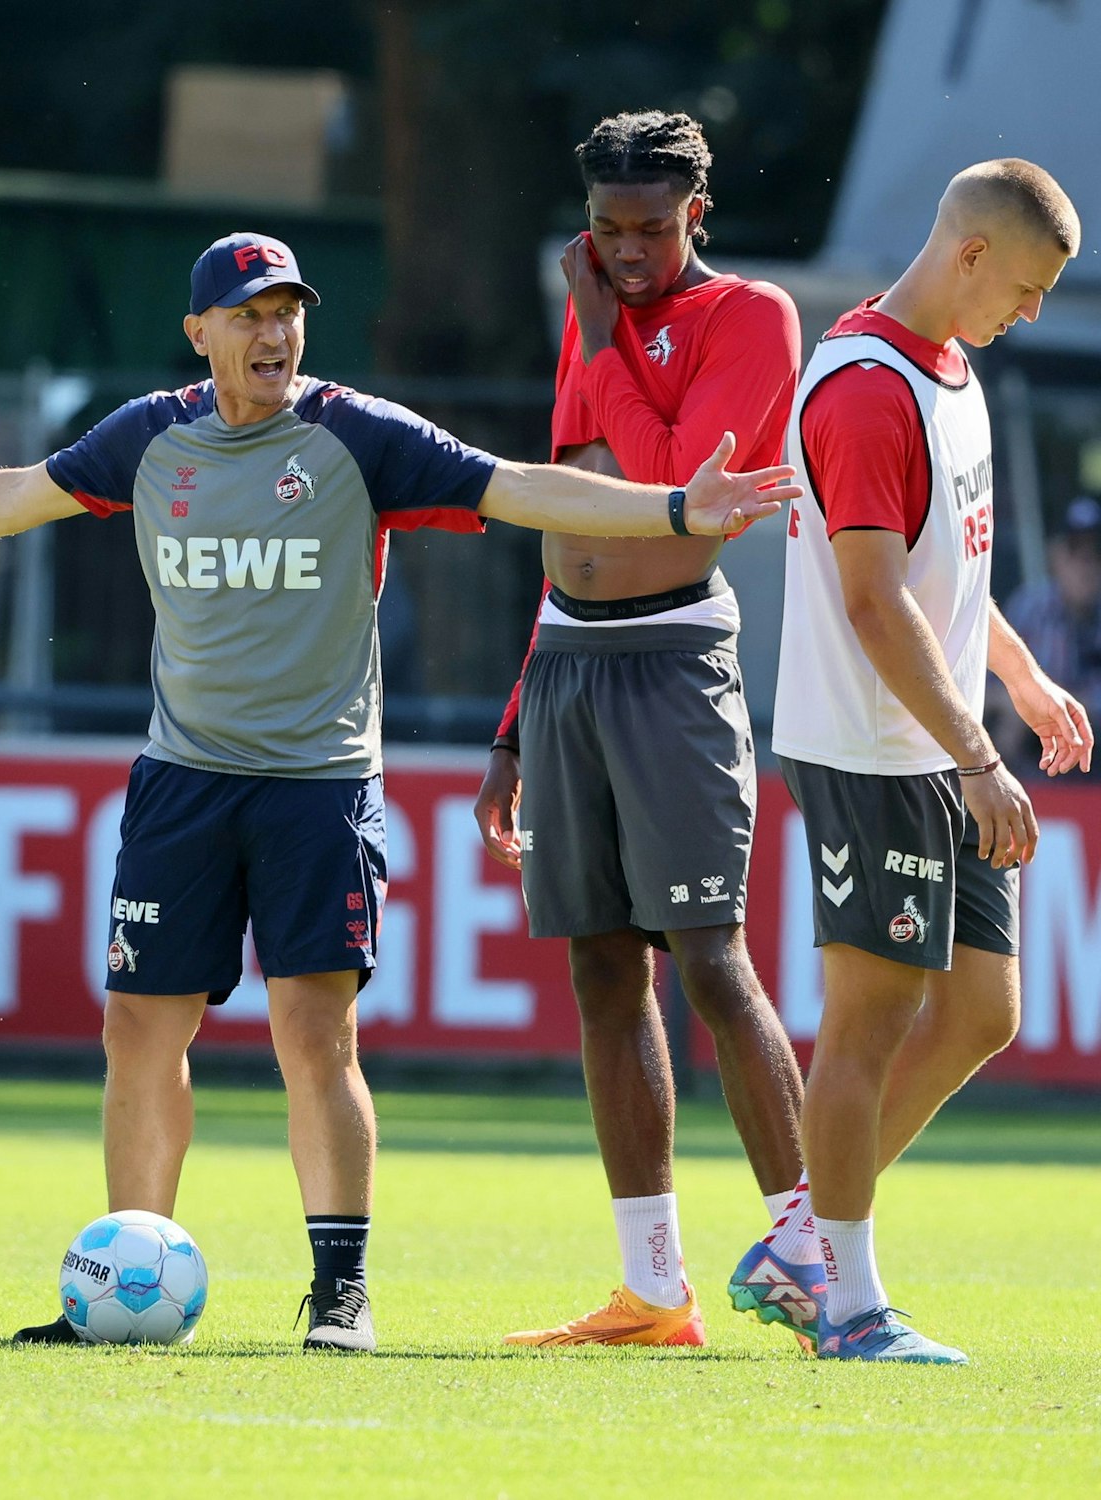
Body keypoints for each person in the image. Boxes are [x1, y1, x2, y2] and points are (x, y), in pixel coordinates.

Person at [0, 229, 795, 1353]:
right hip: (181, 783)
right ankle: (122, 1275)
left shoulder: (356, 434)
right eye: (249, 314)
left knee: (315, 1037)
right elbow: (23, 491)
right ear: (198, 332)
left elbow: (514, 490)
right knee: (137, 1033)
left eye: (288, 311)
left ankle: (340, 1296)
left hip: (317, 788)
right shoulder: (150, 437)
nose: (275, 332)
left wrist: (673, 513)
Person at [472, 110, 816, 1351]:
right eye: (607, 230)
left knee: (709, 959)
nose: (625, 252)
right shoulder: (594, 305)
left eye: (651, 229)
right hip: (564, 662)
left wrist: (604, 332)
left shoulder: (749, 318)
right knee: (598, 971)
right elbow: (569, 512)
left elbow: (679, 490)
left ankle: (811, 1254)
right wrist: (513, 718)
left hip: (672, 662)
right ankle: (652, 1290)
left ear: (697, 217)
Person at [776, 159, 1089, 1363]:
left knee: (980, 1011)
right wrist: (976, 754)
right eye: (1024, 286)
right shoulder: (864, 390)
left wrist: (1013, 673)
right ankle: (843, 1303)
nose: (1030, 312)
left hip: (939, 737)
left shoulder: (950, 372)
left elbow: (936, 577)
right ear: (967, 256)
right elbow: (868, 603)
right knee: (871, 1015)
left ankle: (803, 1238)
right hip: (871, 744)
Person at [991, 495, 1101, 777]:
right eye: (1075, 552)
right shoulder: (1028, 607)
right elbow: (983, 689)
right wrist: (1016, 697)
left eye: (1096, 554)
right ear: (1056, 556)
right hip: (1031, 754)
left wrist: (1052, 703)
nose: (1085, 565)